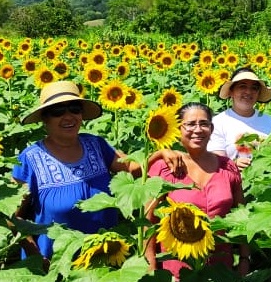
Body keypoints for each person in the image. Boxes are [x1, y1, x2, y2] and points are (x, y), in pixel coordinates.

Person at [12, 80, 183, 266]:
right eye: (58, 111)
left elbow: (131, 169)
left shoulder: (95, 144)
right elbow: (14, 216)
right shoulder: (30, 159)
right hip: (57, 264)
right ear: (45, 118)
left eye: (75, 109)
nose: (68, 116)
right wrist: (34, 253)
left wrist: (159, 153)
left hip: (107, 256)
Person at [145, 102, 249, 279]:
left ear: (211, 128)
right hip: (176, 270)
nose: (198, 130)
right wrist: (151, 267)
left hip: (220, 270)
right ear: (178, 129)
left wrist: (244, 261)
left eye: (204, 124)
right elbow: (148, 221)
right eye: (190, 124)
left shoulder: (227, 167)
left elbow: (243, 219)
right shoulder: (164, 168)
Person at [208, 67, 271, 169]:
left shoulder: (269, 121)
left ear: (258, 94)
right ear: (231, 92)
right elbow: (214, 161)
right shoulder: (218, 122)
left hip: (267, 182)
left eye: (254, 88)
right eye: (242, 86)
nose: (248, 92)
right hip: (233, 182)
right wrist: (233, 164)